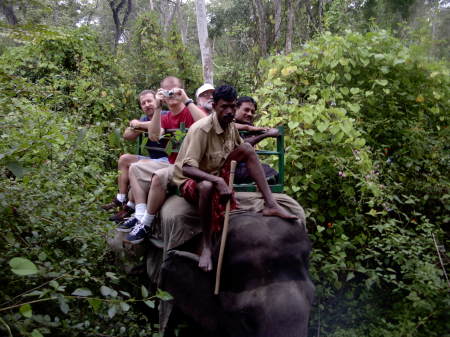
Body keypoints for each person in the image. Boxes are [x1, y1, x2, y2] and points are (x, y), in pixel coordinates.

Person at [172, 85, 297, 272]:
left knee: (247, 149)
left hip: (216, 170)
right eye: (224, 107)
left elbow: (242, 147)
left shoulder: (230, 126)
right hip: (193, 178)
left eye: (232, 106)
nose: (229, 111)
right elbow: (188, 168)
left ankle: (271, 204)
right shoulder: (202, 130)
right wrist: (218, 181)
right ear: (214, 106)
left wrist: (262, 134)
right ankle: (206, 246)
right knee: (206, 186)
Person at [118, 76, 208, 244]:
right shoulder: (165, 117)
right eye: (167, 91)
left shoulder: (190, 110)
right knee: (134, 168)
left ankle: (146, 223)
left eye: (174, 90)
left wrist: (186, 99)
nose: (171, 94)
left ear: (181, 90)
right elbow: (153, 135)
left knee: (159, 176)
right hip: (173, 163)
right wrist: (158, 107)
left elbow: (206, 124)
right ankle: (139, 215)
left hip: (190, 165)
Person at [101, 90, 168, 221]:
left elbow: (160, 126)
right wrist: (136, 124)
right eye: (143, 103)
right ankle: (120, 199)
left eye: (150, 101)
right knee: (124, 158)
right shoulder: (143, 118)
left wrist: (139, 125)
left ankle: (132, 209)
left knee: (137, 166)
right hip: (152, 159)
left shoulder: (165, 114)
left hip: (166, 160)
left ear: (156, 101)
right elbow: (127, 135)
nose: (147, 105)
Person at [234, 96, 280, 184]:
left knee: (273, 173)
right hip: (231, 167)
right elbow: (244, 146)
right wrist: (266, 134)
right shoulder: (228, 123)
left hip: (244, 166)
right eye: (246, 110)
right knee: (269, 173)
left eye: (252, 112)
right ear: (236, 108)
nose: (250, 114)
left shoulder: (248, 126)